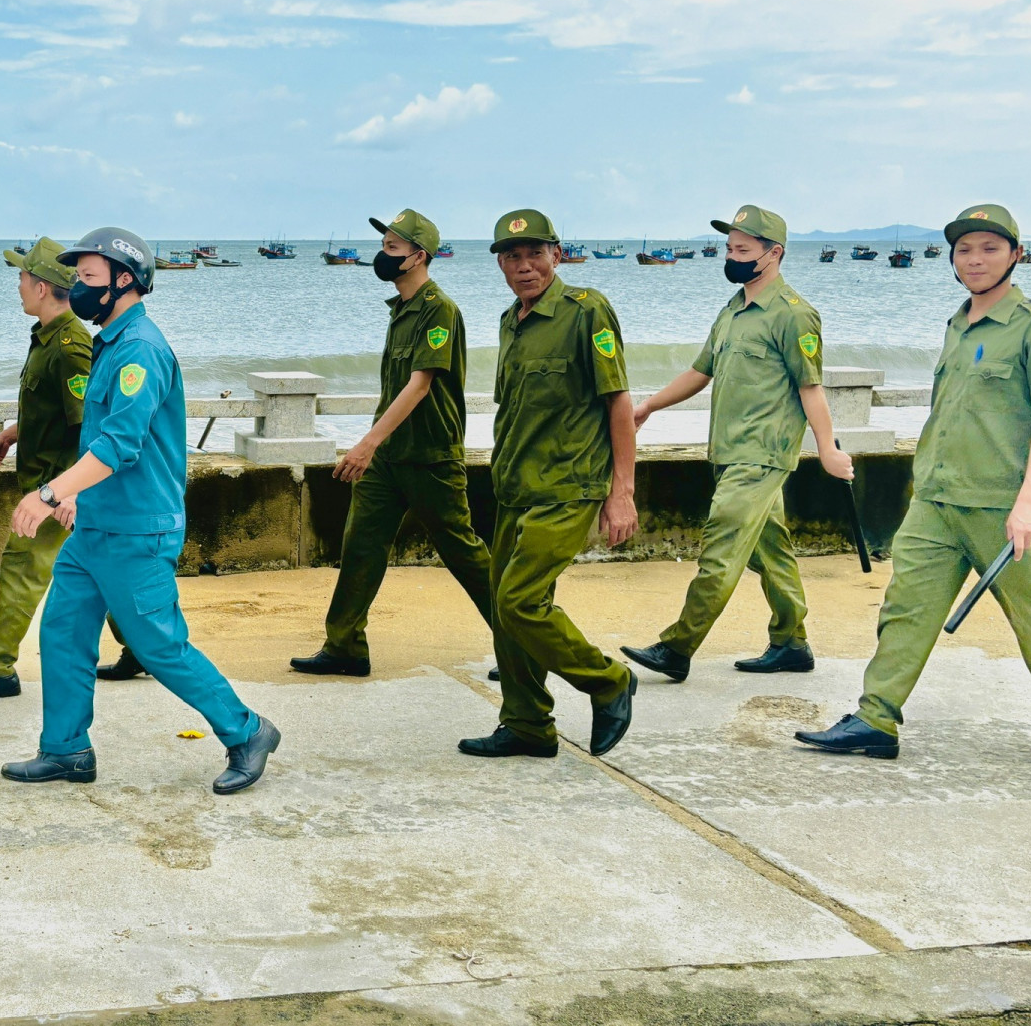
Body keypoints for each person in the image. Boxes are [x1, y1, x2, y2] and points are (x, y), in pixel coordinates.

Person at [798, 204, 1031, 766]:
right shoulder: (958, 324)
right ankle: (876, 718)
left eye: (989, 248)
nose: (974, 259)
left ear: (1016, 255)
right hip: (934, 499)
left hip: (1000, 504)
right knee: (905, 609)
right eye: (964, 250)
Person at [0, 227, 280, 794]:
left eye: (88, 279)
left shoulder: (140, 351)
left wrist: (50, 492)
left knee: (157, 644)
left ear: (124, 281)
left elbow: (119, 444)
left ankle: (247, 731)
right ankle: (66, 749)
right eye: (76, 278)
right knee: (62, 631)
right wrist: (77, 494)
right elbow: (97, 439)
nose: (77, 288)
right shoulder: (109, 343)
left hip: (137, 529)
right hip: (96, 525)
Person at [620, 205, 852, 684]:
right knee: (771, 550)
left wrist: (827, 449)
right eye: (729, 248)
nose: (732, 256)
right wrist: (648, 406)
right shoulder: (732, 309)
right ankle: (791, 643)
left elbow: (811, 388)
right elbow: (700, 371)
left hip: (763, 454)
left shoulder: (794, 316)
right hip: (727, 451)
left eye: (742, 250)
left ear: (774, 254)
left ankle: (677, 647)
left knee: (721, 549)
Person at [459, 209, 637, 760]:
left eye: (535, 253)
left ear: (557, 255)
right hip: (514, 487)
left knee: (520, 602)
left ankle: (607, 681)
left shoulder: (587, 312)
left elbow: (619, 404)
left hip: (569, 486)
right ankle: (527, 724)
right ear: (500, 265)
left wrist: (621, 491)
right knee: (505, 607)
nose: (524, 266)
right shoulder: (510, 321)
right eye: (512, 257)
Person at [290, 208, 492, 677]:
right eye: (383, 247)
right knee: (360, 546)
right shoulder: (400, 309)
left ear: (418, 257)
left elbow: (420, 385)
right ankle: (344, 647)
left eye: (391, 249)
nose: (381, 257)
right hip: (388, 459)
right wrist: (377, 448)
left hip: (429, 456)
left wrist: (365, 444)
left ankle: (523, 644)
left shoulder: (439, 309)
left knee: (464, 554)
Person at [0, 237, 96, 701]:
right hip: (52, 485)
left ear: (43, 287)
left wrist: (68, 494)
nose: (19, 285)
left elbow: (89, 425)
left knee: (21, 570)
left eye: (23, 277)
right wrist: (8, 435)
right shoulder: (46, 338)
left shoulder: (70, 347)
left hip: (57, 489)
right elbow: (47, 409)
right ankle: (141, 651)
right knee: (100, 570)